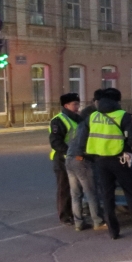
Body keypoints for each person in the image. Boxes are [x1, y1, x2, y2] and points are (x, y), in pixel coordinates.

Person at [79, 88, 132, 240]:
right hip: (120, 160)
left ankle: (113, 232)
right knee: (131, 194)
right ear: (117, 101)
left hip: (100, 161)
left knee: (107, 197)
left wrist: (94, 157)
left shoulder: (92, 117)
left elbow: (82, 143)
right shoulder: (123, 116)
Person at [66, 90, 107, 232]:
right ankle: (98, 221)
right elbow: (86, 144)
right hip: (81, 160)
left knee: (75, 194)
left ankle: (79, 223)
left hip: (70, 159)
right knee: (91, 192)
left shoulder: (80, 124)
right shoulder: (91, 123)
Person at [48, 93, 81, 225]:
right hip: (62, 159)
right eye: (74, 104)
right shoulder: (58, 120)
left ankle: (75, 213)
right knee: (64, 188)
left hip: (76, 158)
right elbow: (56, 142)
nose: (77, 107)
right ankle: (65, 215)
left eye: (78, 104)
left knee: (76, 188)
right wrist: (70, 152)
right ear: (66, 105)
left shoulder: (77, 119)